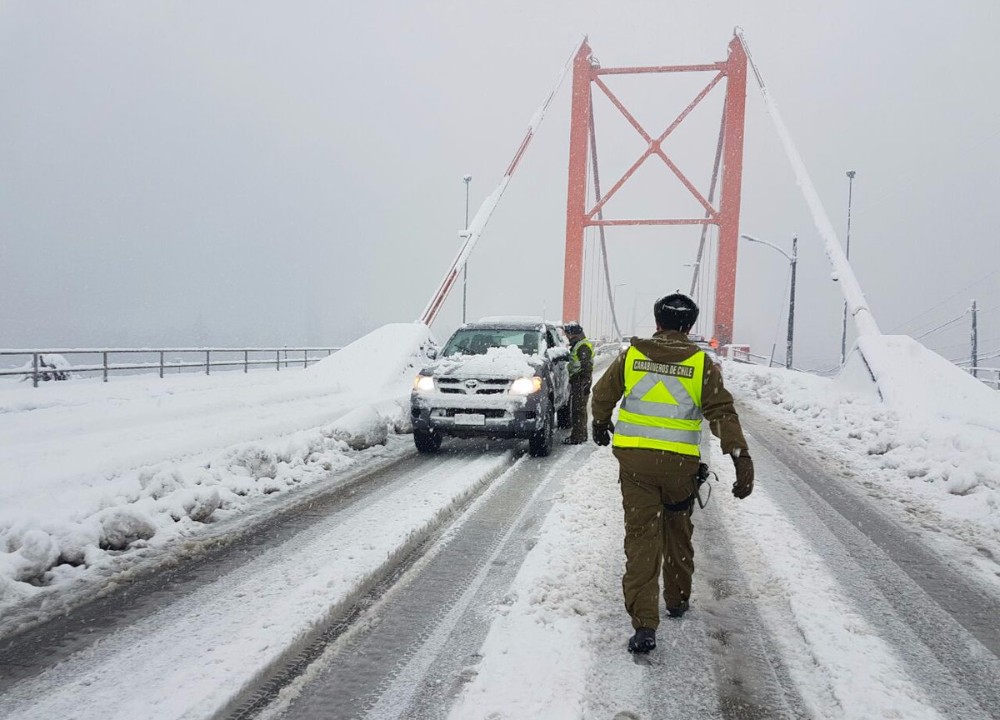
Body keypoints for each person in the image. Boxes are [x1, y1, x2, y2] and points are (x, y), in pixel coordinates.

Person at [590, 293, 754, 654]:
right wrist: (740, 455)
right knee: (678, 529)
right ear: (689, 326)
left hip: (636, 467)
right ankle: (677, 599)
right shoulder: (701, 364)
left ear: (657, 322)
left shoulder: (632, 356)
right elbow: (722, 412)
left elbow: (602, 395)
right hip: (680, 468)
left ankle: (645, 625)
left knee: (642, 539)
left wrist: (600, 424)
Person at [562, 321, 594, 445]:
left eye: (567, 335)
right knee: (579, 409)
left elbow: (586, 366)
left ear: (573, 334)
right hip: (579, 380)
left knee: (578, 410)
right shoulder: (579, 344)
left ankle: (577, 437)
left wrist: (585, 383)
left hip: (580, 380)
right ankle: (582, 434)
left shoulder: (582, 346)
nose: (567, 337)